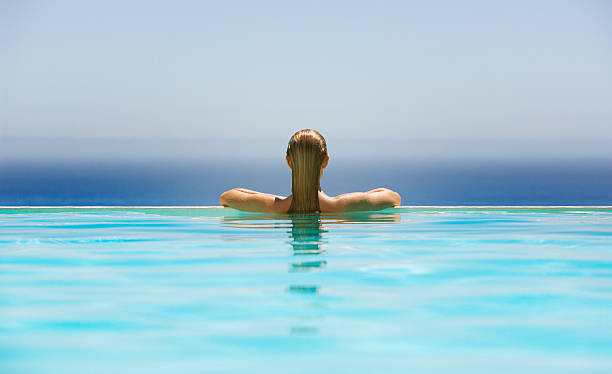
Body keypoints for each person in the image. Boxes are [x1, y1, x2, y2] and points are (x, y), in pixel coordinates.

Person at [219, 129, 401, 213]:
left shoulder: (273, 207)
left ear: (288, 162)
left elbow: (227, 197)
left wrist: (265, 196)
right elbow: (393, 198)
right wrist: (350, 197)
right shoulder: (344, 205)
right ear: (326, 161)